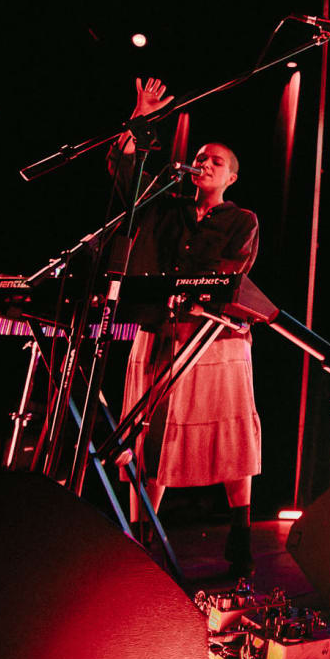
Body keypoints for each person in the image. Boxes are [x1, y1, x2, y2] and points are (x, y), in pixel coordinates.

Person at [108, 76, 261, 575]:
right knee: (148, 434)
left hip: (213, 337)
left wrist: (192, 297)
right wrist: (142, 113)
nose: (204, 163)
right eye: (200, 156)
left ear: (232, 178)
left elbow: (228, 273)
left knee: (229, 434)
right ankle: (140, 534)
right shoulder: (166, 209)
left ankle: (241, 530)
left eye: (216, 160)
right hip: (158, 330)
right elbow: (125, 173)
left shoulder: (242, 219)